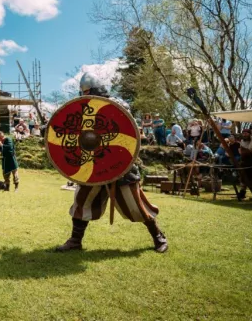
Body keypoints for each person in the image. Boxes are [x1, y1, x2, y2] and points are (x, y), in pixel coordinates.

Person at [56, 72, 168, 254]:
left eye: (87, 92)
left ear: (95, 90)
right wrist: (53, 128)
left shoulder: (118, 105)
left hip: (118, 162)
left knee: (135, 205)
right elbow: (71, 128)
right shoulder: (83, 109)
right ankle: (75, 241)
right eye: (83, 93)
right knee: (82, 201)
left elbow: (127, 129)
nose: (84, 95)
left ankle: (158, 236)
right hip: (92, 163)